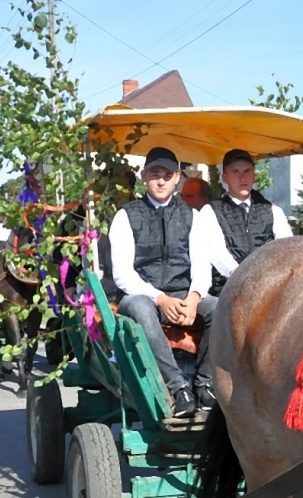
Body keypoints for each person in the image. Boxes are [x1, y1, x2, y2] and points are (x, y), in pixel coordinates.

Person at [107, 146, 231, 418]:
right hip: (141, 295)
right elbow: (123, 275)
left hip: (183, 293)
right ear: (144, 176)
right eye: (155, 174)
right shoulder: (126, 216)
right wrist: (159, 298)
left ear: (177, 178)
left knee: (220, 308)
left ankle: (204, 383)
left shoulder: (192, 216)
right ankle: (177, 388)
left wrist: (194, 298)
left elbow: (201, 265)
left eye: (167, 174)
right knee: (141, 310)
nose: (161, 181)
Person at [210, 149, 292, 285]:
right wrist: (239, 275)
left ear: (254, 175)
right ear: (225, 177)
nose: (242, 178)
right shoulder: (212, 211)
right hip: (226, 290)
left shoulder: (273, 211)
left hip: (267, 286)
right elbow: (216, 252)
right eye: (235, 171)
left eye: (247, 171)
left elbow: (287, 249)